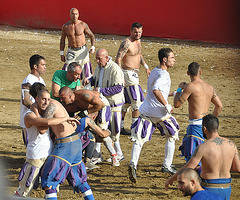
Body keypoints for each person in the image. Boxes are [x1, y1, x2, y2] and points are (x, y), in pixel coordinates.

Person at [15, 86, 78, 197]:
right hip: (36, 156)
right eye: (44, 99)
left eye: (48, 99)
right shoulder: (29, 116)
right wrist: (66, 118)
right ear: (36, 99)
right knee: (24, 190)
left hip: (49, 154)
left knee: (51, 187)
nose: (46, 102)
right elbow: (45, 125)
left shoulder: (40, 112)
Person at [128, 48, 179, 183]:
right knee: (172, 135)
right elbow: (156, 90)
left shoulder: (155, 71)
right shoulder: (164, 75)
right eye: (172, 58)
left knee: (139, 139)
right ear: (165, 59)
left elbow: (157, 90)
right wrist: (166, 105)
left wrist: (174, 92)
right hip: (159, 112)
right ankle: (167, 166)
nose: (174, 60)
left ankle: (133, 163)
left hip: (146, 110)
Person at [32, 90, 94, 200]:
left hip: (66, 146)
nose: (45, 102)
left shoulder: (51, 106)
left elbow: (42, 128)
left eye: (46, 99)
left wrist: (35, 111)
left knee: (49, 179)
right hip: (75, 143)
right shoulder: (56, 104)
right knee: (80, 180)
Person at [165, 114, 240, 200]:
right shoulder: (231, 145)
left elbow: (188, 168)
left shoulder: (203, 148)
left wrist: (171, 179)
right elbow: (237, 168)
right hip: (226, 189)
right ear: (217, 128)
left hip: (209, 189)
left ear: (204, 129)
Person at [174, 62, 223, 172]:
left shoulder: (190, 87)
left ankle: (204, 179)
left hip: (195, 127)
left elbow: (177, 104)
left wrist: (179, 89)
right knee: (201, 157)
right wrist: (210, 122)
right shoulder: (210, 87)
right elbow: (219, 106)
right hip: (206, 127)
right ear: (200, 72)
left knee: (193, 161)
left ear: (188, 73)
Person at [59, 86, 120, 166]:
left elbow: (100, 105)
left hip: (101, 107)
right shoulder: (68, 104)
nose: (61, 100)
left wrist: (86, 113)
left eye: (63, 98)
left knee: (101, 132)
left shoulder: (84, 95)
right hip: (89, 111)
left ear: (70, 96)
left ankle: (114, 156)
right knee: (89, 131)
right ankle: (97, 155)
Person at [84, 48, 125, 162]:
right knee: (101, 127)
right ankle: (100, 154)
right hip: (103, 103)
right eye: (96, 58)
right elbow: (96, 78)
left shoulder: (115, 69)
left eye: (99, 59)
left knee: (114, 130)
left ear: (106, 58)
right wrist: (90, 80)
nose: (97, 61)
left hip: (113, 104)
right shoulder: (100, 67)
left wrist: (100, 91)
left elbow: (118, 87)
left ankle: (118, 154)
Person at [115, 22, 151, 135]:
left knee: (126, 102)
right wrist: (120, 75)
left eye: (140, 32)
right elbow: (118, 58)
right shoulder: (126, 43)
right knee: (137, 101)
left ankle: (119, 127)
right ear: (131, 31)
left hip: (134, 73)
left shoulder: (138, 41)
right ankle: (134, 129)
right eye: (135, 32)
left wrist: (146, 67)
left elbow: (139, 55)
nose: (138, 34)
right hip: (128, 74)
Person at [60, 8, 95, 81]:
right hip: (71, 51)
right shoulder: (66, 26)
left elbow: (92, 36)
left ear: (78, 15)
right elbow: (62, 40)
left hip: (82, 50)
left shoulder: (83, 25)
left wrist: (93, 47)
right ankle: (68, 88)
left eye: (76, 14)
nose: (74, 16)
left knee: (86, 71)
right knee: (68, 69)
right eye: (73, 14)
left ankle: (86, 89)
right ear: (69, 15)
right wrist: (61, 53)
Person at [19, 54, 46, 146]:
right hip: (29, 118)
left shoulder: (41, 80)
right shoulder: (28, 81)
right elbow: (26, 100)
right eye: (42, 65)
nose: (45, 67)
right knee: (30, 144)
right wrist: (38, 110)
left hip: (37, 116)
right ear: (35, 66)